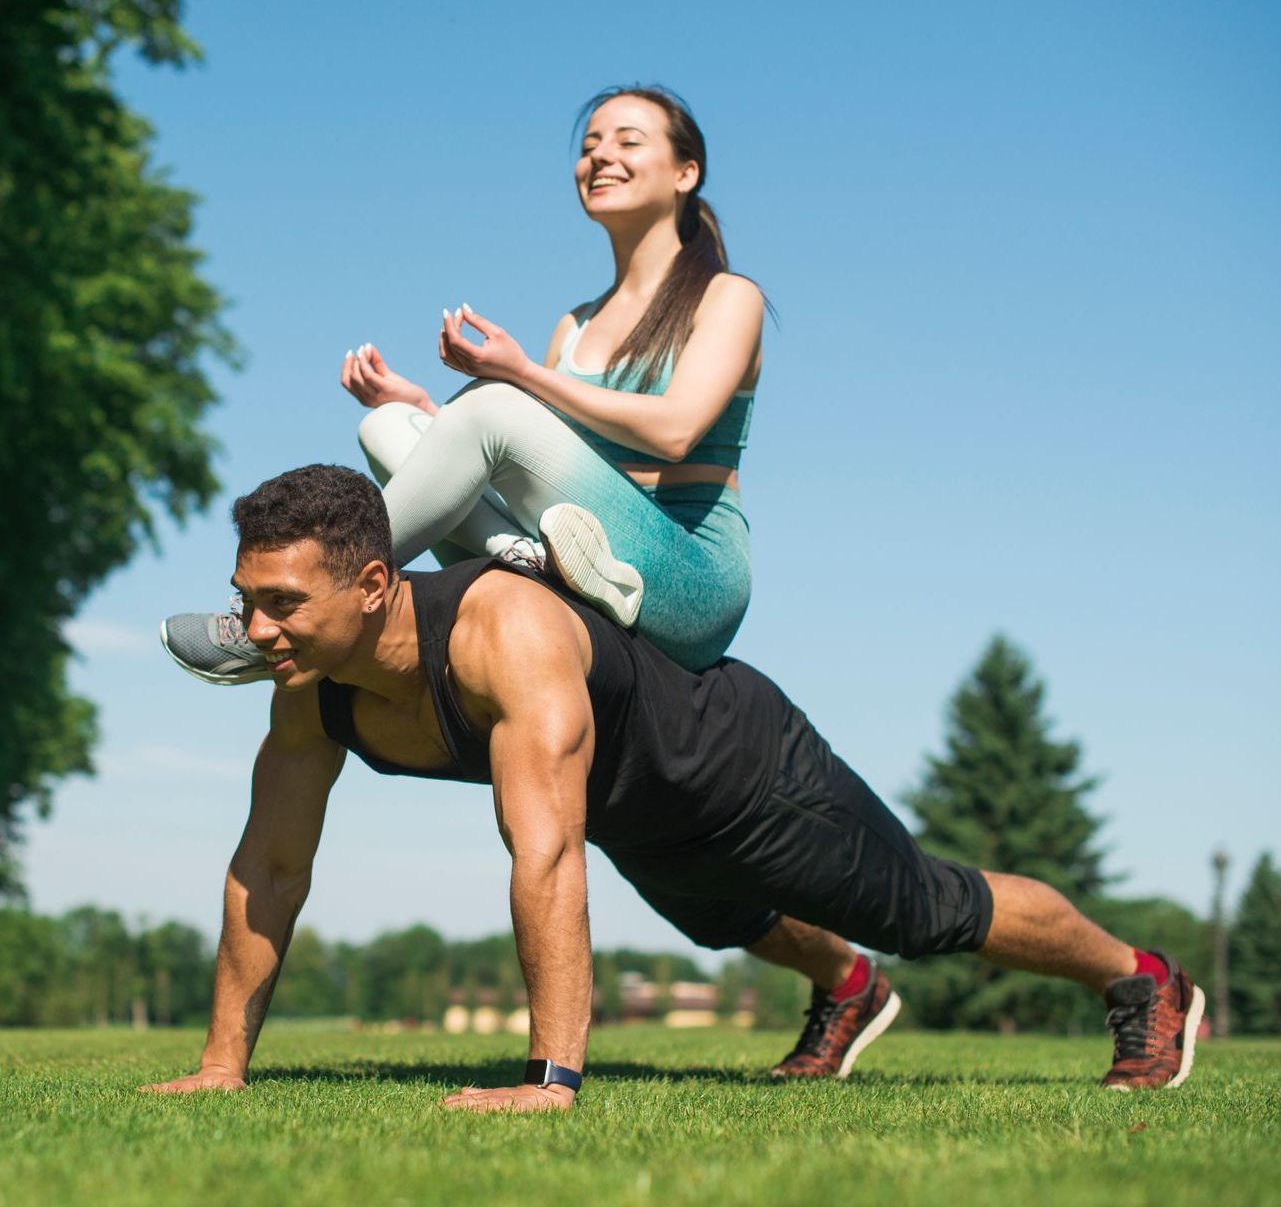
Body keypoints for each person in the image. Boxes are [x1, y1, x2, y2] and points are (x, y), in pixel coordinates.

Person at [143, 466, 1204, 1110]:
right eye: (247, 601)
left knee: (923, 910)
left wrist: (550, 1080)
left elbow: (544, 856)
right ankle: (846, 988)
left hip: (742, 770)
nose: (257, 630)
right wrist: (224, 1061)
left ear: (374, 586)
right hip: (636, 814)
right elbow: (270, 867)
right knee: (724, 921)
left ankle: (1143, 978)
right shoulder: (309, 687)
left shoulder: (503, 632)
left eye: (282, 602)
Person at [160, 84, 764, 683]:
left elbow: (677, 432)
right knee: (387, 425)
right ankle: (535, 565)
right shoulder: (575, 325)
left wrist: (521, 374)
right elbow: (529, 446)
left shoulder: (728, 297)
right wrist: (425, 409)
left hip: (687, 574)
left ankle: (305, 602)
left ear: (686, 172)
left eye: (627, 141)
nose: (601, 156)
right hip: (583, 539)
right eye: (590, 145)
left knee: (494, 408)